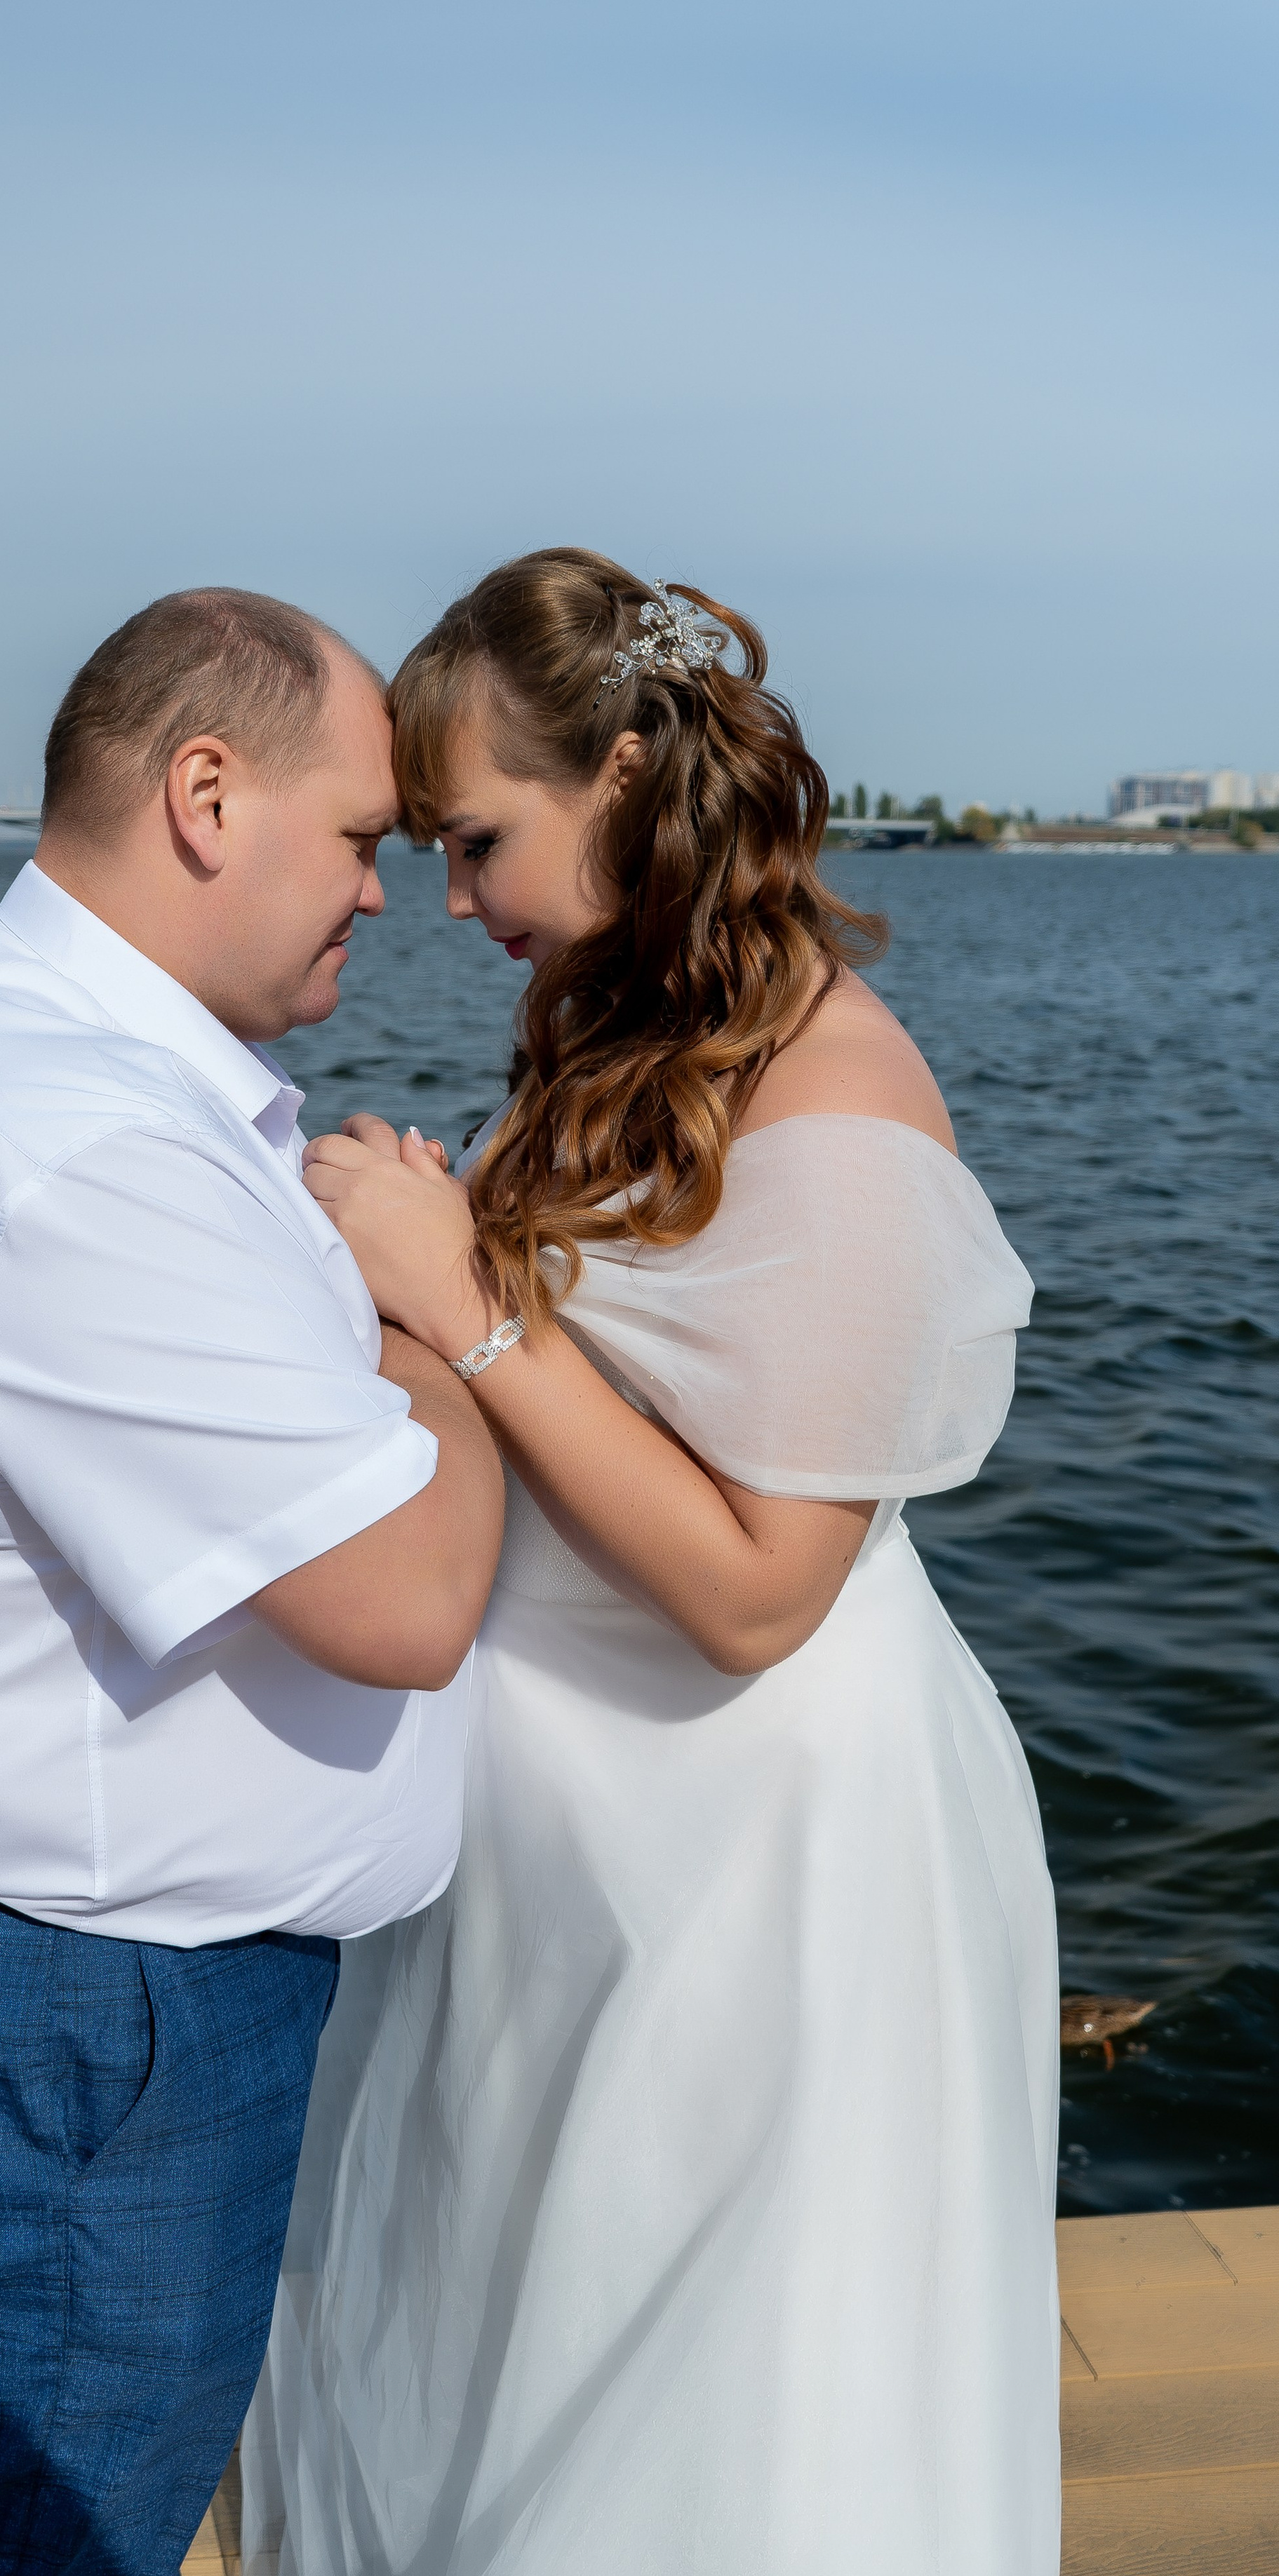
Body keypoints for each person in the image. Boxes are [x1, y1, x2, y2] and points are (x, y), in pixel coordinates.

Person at [246, 550, 1061, 2575]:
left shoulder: (838, 1084)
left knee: (721, 2433)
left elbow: (763, 1585)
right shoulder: (591, 1011)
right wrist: (430, 1287)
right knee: (535, 2356)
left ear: (622, 772)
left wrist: (467, 1300)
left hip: (764, 1855)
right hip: (573, 1853)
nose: (451, 899)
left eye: (479, 838)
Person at [0, 587, 504, 2576]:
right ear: (206, 792)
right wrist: (445, 1317)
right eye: (361, 834)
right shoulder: (71, 1139)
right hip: (86, 2006)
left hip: (69, 1980)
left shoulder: (52, 1049)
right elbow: (406, 1598)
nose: (385, 890)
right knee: (49, 2546)